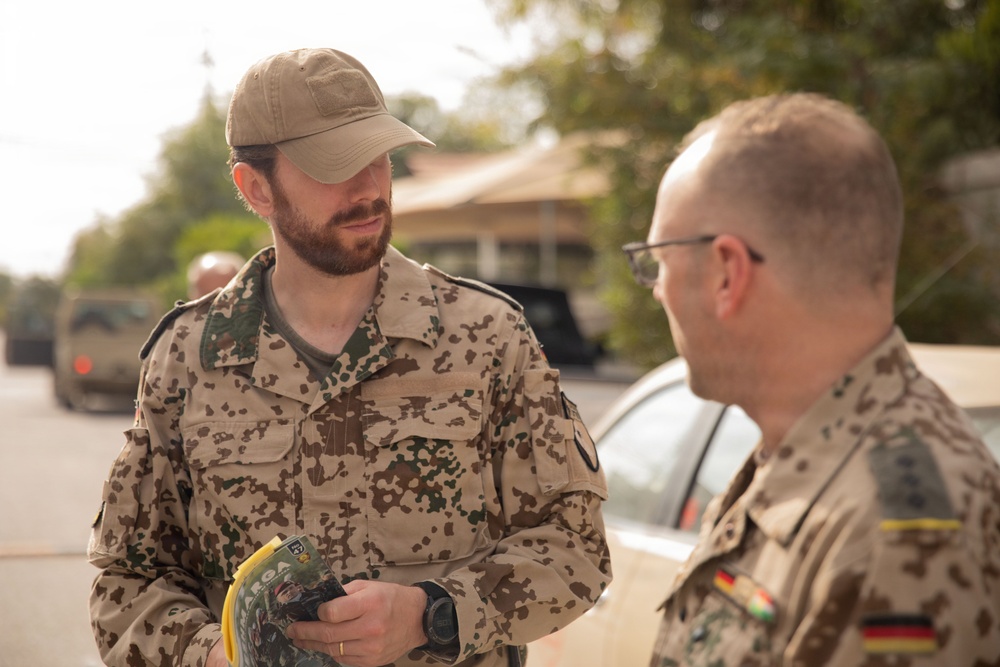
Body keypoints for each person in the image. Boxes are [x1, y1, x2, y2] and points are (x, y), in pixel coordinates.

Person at [88, 48, 611, 667]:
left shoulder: (489, 336)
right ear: (256, 188)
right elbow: (127, 583)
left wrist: (431, 615)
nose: (368, 188)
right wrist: (211, 655)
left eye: (379, 158)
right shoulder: (187, 357)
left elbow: (576, 549)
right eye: (334, 166)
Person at [621, 92, 1000, 665]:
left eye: (658, 261)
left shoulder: (893, 531)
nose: (656, 291)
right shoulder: (804, 460)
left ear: (727, 274)